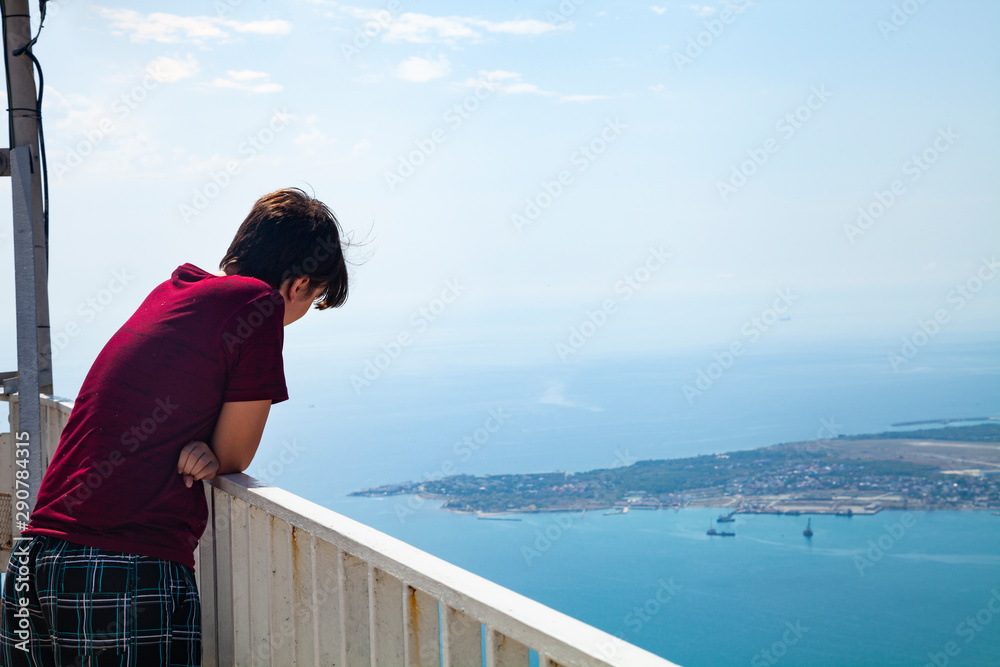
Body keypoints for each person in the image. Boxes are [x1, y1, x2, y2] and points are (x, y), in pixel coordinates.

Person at [0, 188, 349, 666]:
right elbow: (236, 453)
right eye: (315, 299)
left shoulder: (173, 291)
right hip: (123, 572)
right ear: (300, 284)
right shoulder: (260, 304)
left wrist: (206, 446)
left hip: (35, 562)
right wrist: (214, 452)